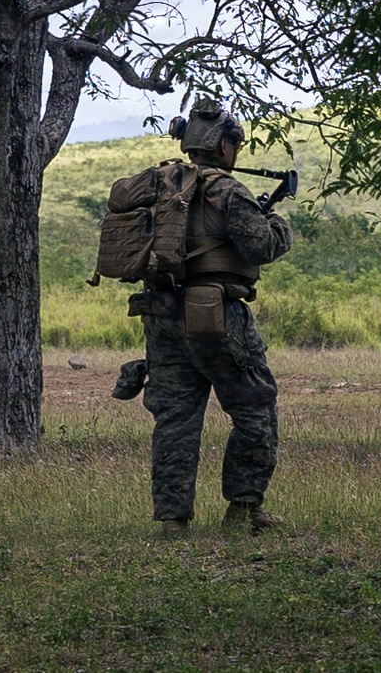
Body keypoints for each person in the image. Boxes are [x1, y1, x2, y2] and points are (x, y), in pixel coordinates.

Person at [133, 102, 293, 537]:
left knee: (175, 419)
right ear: (224, 146)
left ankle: (172, 520)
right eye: (234, 145)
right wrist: (279, 225)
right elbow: (261, 246)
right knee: (255, 407)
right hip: (215, 315)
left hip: (162, 314)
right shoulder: (227, 190)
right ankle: (243, 508)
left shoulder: (160, 184)